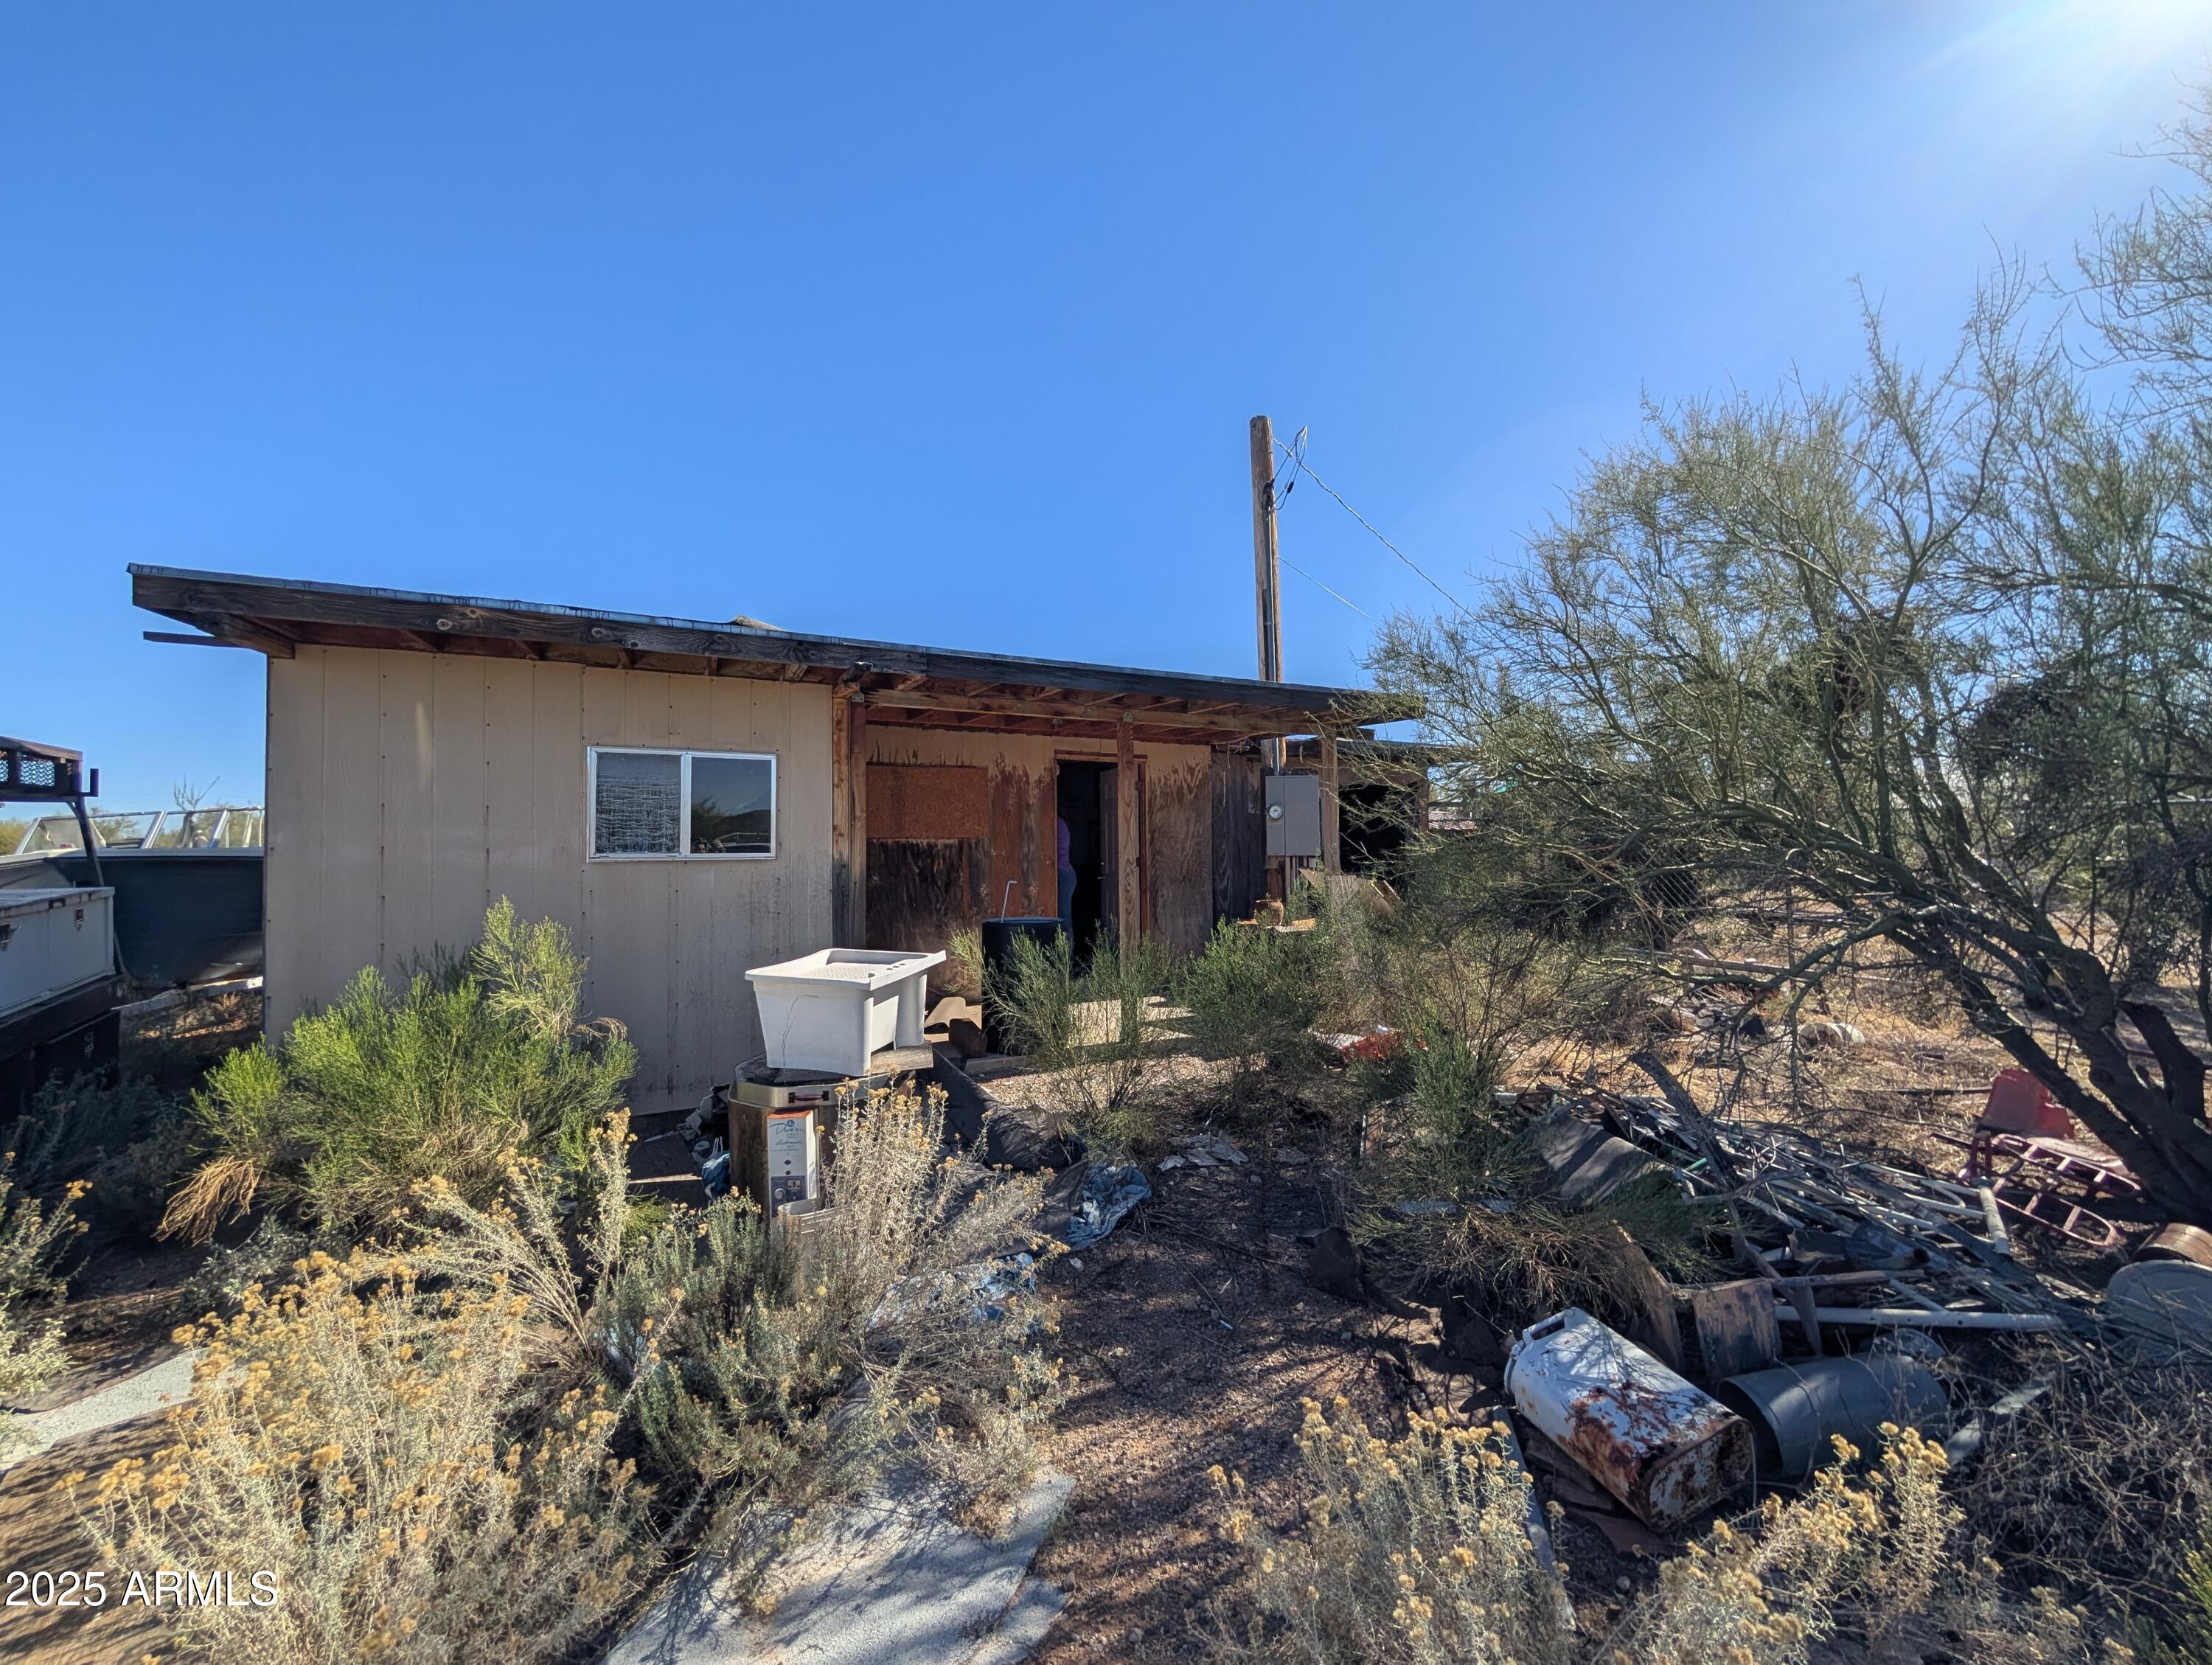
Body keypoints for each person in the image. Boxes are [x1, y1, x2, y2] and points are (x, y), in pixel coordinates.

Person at [1056, 814, 1077, 938]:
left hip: (1064, 875)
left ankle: (1067, 955)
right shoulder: (1059, 823)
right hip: (1063, 875)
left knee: (1064, 919)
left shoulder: (1057, 824)